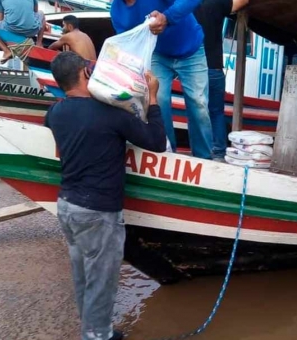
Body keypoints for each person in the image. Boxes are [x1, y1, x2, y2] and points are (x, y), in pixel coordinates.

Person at [44, 51, 167, 340]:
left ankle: (93, 329)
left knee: (84, 275)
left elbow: (52, 125)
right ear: (86, 73)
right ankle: (97, 336)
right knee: (102, 279)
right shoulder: (111, 114)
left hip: (68, 207)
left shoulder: (56, 112)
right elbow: (156, 142)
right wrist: (152, 97)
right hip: (98, 211)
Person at [111, 0, 214, 159]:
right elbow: (126, 44)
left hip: (191, 49)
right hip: (158, 54)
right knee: (158, 100)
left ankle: (204, 159)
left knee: (198, 104)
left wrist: (167, 17)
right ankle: (167, 154)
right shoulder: (116, 10)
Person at [194, 0, 249, 160]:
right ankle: (218, 152)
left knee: (197, 112)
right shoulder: (217, 3)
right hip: (215, 68)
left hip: (193, 69)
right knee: (217, 113)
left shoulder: (186, 8)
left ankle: (200, 151)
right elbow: (243, 1)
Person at [0, 0, 46, 64]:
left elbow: (0, 20)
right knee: (41, 13)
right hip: (32, 30)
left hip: (12, 30)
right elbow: (35, 11)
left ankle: (6, 51)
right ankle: (39, 44)